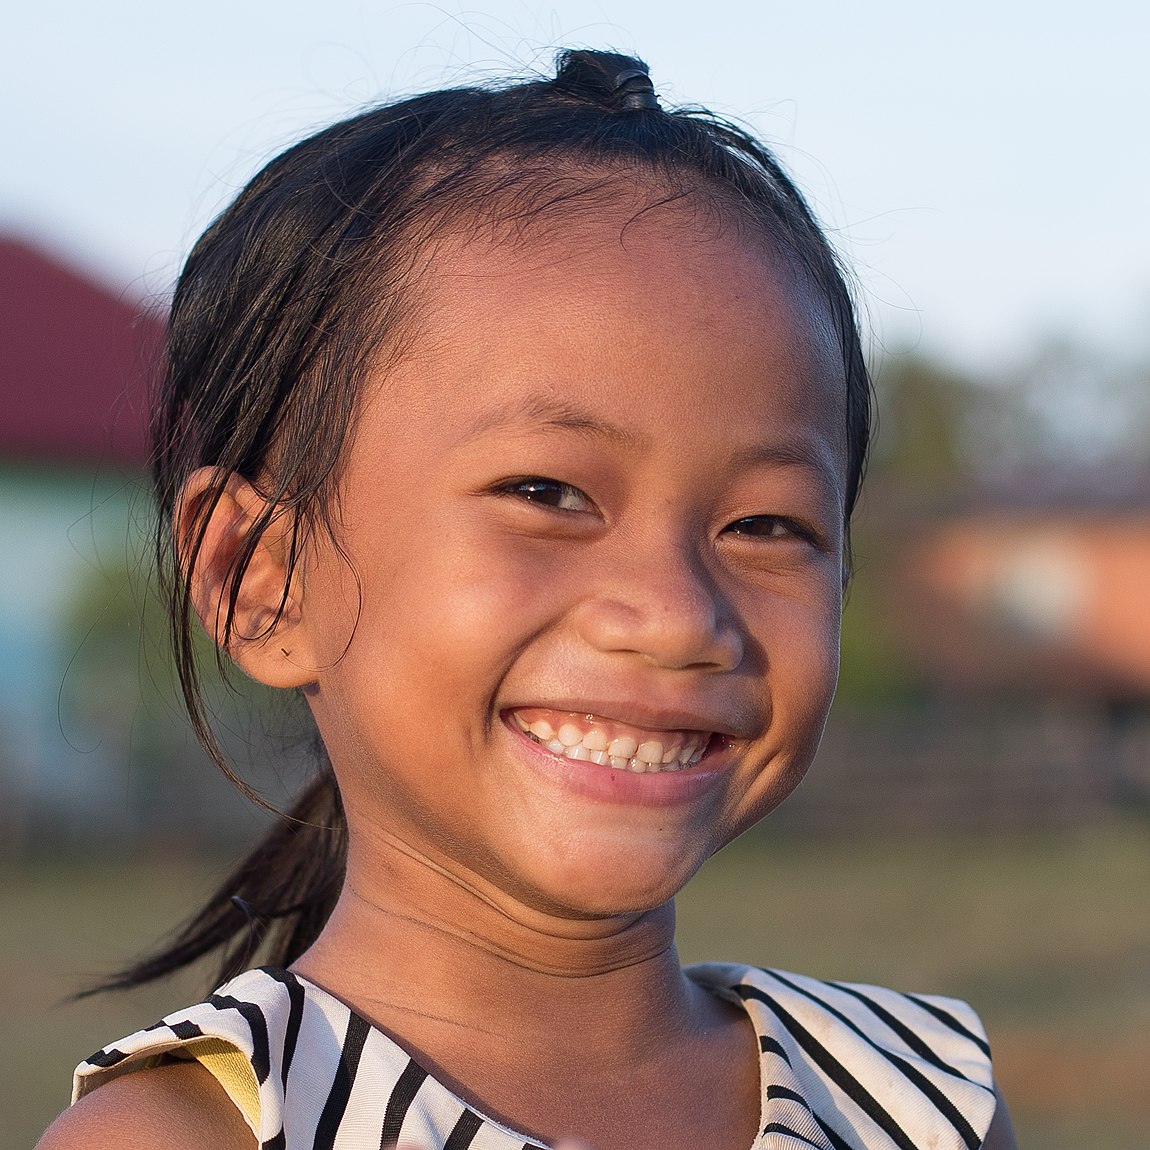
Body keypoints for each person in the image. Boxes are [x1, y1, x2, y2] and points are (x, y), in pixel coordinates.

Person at [37, 49, 1017, 1150]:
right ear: (259, 577)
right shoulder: (194, 1136)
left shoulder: (914, 1097)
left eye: (765, 525)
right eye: (546, 493)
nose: (677, 611)